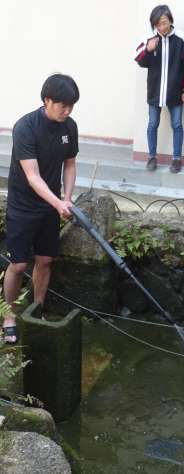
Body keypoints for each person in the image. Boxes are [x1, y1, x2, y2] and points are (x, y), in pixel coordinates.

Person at [1, 74, 79, 343]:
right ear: (47, 100)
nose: (67, 111)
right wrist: (59, 203)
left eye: (71, 106)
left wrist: (66, 198)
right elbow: (32, 176)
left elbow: (70, 164)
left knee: (45, 260)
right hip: (22, 206)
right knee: (18, 264)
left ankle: (37, 310)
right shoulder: (25, 127)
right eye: (63, 105)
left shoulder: (69, 127)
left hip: (50, 204)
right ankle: (9, 316)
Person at [134, 4, 184, 174]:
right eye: (158, 24)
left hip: (175, 90)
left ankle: (176, 159)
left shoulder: (182, 38)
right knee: (153, 124)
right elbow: (138, 58)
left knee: (177, 124)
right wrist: (148, 48)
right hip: (155, 90)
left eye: (164, 22)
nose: (161, 27)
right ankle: (152, 157)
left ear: (170, 20)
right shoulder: (150, 39)